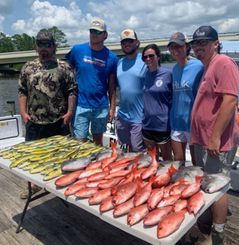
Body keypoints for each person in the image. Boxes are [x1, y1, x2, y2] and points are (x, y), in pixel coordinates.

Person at [190, 26, 239, 244]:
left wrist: (215, 136)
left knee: (218, 187)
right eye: (196, 44)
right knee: (208, 183)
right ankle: (206, 229)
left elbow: (230, 101)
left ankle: (218, 236)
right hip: (204, 140)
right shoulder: (207, 67)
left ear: (216, 43)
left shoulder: (223, 63)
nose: (199, 48)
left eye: (204, 43)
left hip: (216, 142)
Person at [18, 30, 77, 199]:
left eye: (47, 44)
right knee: (32, 158)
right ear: (36, 47)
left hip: (58, 121)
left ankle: (60, 184)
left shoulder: (64, 67)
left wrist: (70, 112)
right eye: (40, 44)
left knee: (62, 155)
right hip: (34, 122)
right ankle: (34, 186)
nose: (43, 48)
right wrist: (22, 112)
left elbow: (72, 91)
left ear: (54, 46)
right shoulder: (28, 67)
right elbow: (22, 91)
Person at [66, 17, 118, 145]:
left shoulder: (112, 57)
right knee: (79, 142)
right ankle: (80, 164)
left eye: (98, 32)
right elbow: (67, 72)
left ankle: (96, 164)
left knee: (97, 142)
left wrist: (112, 109)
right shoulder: (77, 50)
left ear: (105, 35)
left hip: (101, 107)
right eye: (92, 31)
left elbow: (112, 87)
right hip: (80, 105)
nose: (94, 34)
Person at [167, 32, 204, 164]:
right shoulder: (175, 69)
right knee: (178, 161)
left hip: (192, 123)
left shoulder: (199, 66)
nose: (175, 50)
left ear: (186, 47)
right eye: (172, 47)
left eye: (178, 46)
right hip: (176, 122)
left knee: (196, 163)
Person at [116, 29, 147, 152]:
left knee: (138, 150)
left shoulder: (145, 60)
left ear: (137, 43)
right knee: (125, 150)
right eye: (124, 42)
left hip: (139, 117)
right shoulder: (119, 63)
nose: (127, 44)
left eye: (130, 41)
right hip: (122, 116)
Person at [141, 44, 172, 160]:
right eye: (145, 57)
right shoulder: (143, 75)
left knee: (167, 159)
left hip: (163, 125)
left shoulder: (168, 74)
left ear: (158, 57)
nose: (148, 59)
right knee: (151, 159)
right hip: (147, 124)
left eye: (151, 56)